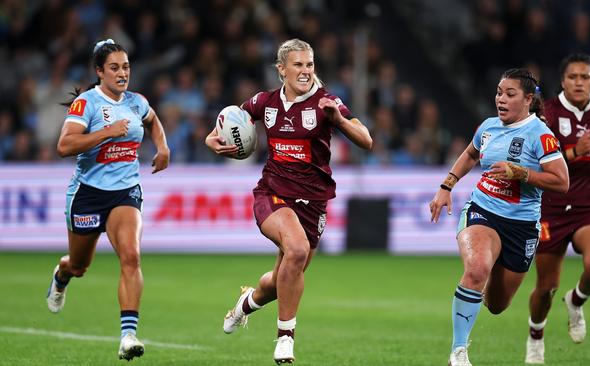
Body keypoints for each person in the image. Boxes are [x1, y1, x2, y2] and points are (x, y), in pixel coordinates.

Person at [205, 38, 372, 364]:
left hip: (313, 205)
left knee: (283, 280)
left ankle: (246, 302)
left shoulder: (327, 101)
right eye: (298, 65)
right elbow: (227, 123)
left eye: (310, 65)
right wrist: (213, 140)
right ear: (282, 69)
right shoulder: (265, 102)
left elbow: (366, 139)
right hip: (272, 195)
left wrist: (338, 120)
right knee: (295, 249)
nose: (306, 71)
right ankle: (285, 338)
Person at [429, 68, 569, 366]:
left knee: (496, 304)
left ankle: (476, 288)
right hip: (483, 210)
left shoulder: (541, 135)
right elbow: (470, 153)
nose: (500, 99)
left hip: (522, 226)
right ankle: (458, 352)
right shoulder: (489, 127)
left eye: (510, 94)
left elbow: (562, 182)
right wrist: (446, 186)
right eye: (498, 92)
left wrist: (521, 173)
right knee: (477, 268)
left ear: (528, 99)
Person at [45, 39, 170, 361]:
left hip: (125, 192)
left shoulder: (136, 102)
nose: (122, 73)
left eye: (126, 67)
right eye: (114, 67)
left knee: (131, 255)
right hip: (88, 194)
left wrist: (163, 147)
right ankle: (62, 274)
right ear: (99, 71)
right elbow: (64, 146)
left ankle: (128, 336)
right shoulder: (86, 105)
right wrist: (107, 132)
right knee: (79, 265)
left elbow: (153, 120)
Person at [525, 53, 590, 364]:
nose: (579, 82)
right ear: (562, 81)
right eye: (573, 77)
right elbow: (535, 163)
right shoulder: (547, 113)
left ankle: (576, 300)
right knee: (546, 287)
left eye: (585, 77)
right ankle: (535, 335)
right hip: (551, 207)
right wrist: (573, 151)